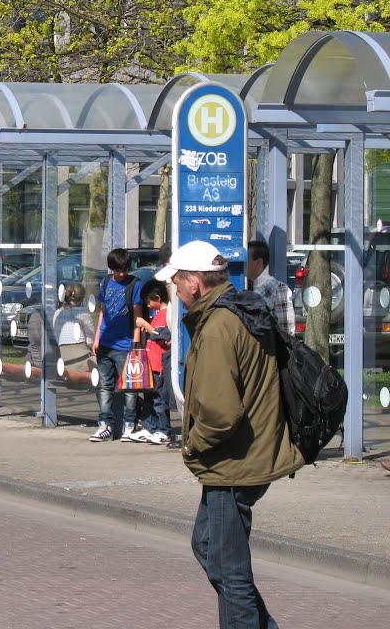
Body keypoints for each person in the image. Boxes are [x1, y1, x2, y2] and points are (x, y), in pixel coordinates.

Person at [155, 240, 303, 629]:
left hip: (233, 462)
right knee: (207, 545)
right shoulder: (232, 310)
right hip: (241, 457)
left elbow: (221, 413)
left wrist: (191, 447)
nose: (173, 290)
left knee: (229, 568)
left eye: (175, 281)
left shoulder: (219, 326)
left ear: (193, 283)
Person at [90, 248, 143, 442]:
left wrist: (135, 344)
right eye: (118, 270)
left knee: (129, 387)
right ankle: (105, 425)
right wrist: (97, 338)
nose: (122, 274)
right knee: (105, 386)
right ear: (112, 268)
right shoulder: (105, 282)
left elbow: (138, 315)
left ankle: (129, 425)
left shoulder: (134, 284)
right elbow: (103, 313)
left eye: (125, 270)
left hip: (126, 344)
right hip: (105, 343)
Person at [130, 279, 172, 445]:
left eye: (148, 301)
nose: (147, 305)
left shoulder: (165, 314)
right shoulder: (158, 315)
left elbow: (162, 336)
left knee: (159, 399)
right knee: (149, 398)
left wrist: (144, 324)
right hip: (151, 364)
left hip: (159, 365)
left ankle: (164, 430)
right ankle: (149, 427)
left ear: (157, 297)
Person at [246, 239, 295, 336]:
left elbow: (287, 331)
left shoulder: (279, 289)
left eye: (246, 260)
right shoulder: (245, 286)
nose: (243, 264)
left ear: (259, 263)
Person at [51, 283, 96, 375]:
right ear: (82, 297)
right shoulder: (83, 313)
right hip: (82, 359)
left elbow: (56, 338)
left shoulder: (57, 313)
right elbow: (91, 341)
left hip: (63, 360)